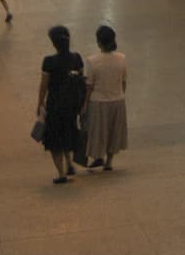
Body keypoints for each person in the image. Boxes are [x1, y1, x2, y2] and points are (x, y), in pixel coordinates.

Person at [37, 26, 84, 184]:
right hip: (72, 105)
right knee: (67, 132)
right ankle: (70, 164)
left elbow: (44, 85)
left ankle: (62, 174)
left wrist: (40, 103)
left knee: (55, 140)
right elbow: (80, 80)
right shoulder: (76, 58)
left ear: (53, 43)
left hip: (55, 105)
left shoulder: (49, 61)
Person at [83, 25, 128, 172]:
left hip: (98, 102)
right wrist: (119, 94)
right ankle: (109, 161)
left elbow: (89, 86)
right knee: (113, 132)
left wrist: (85, 104)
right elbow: (124, 82)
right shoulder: (122, 58)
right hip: (118, 101)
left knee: (98, 132)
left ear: (99, 42)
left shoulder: (92, 61)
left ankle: (98, 156)